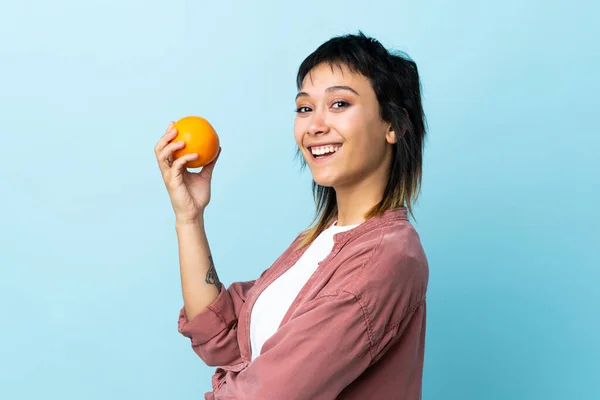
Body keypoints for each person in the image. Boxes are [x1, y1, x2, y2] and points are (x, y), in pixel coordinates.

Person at [154, 31, 429, 400]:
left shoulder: (387, 256)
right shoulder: (317, 243)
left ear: (393, 125)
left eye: (339, 104)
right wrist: (189, 217)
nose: (315, 125)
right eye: (304, 108)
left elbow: (267, 394)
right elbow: (219, 336)